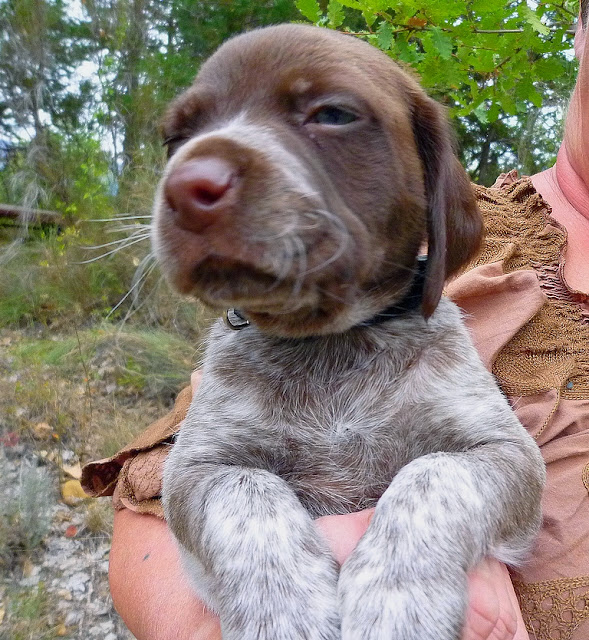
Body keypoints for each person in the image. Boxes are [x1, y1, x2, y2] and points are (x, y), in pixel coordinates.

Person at [82, 5, 589, 639]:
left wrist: (419, 542)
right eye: (182, 140)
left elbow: (502, 464)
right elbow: (179, 482)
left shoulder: (440, 320)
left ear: (435, 198)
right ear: (579, 30)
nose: (196, 173)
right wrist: (260, 586)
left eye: (331, 115)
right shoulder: (244, 344)